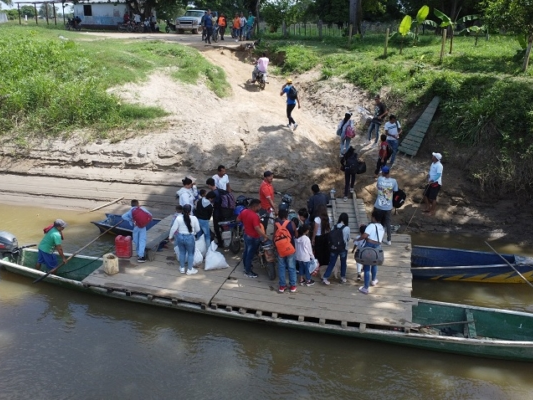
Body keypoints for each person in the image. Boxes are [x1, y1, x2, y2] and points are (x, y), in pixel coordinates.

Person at [237, 199, 270, 278]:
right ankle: (248, 271)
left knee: (246, 252)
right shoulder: (254, 216)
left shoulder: (244, 211)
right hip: (253, 238)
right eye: (259, 206)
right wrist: (265, 236)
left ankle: (246, 266)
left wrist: (245, 224)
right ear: (255, 206)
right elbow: (257, 228)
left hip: (246, 235)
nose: (260, 207)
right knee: (250, 255)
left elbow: (237, 220)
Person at [169, 204, 200, 275]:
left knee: (182, 253)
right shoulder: (194, 218)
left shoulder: (178, 218)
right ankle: (189, 269)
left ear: (182, 210)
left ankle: (182, 268)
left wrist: (170, 237)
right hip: (189, 237)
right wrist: (194, 232)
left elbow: (173, 228)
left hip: (180, 237)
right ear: (190, 211)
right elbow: (198, 229)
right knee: (190, 254)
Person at [358, 210, 384, 294]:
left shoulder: (371, 226)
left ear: (373, 217)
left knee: (366, 268)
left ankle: (365, 287)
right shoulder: (381, 227)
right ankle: (373, 280)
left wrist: (358, 239)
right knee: (374, 264)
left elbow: (365, 236)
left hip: (369, 248)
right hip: (377, 248)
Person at [322, 213, 351, 285]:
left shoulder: (334, 227)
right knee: (343, 263)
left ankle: (325, 277)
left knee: (331, 263)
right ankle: (343, 277)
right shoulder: (347, 228)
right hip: (343, 248)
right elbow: (348, 238)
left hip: (333, 248)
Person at [373, 165, 398, 245]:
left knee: (376, 222)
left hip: (378, 205)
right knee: (387, 223)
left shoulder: (380, 179)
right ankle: (389, 240)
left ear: (383, 172)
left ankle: (374, 238)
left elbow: (378, 187)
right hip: (388, 206)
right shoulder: (394, 181)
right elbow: (395, 191)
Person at [274, 209, 297, 293]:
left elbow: (274, 236)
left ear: (279, 216)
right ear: (287, 216)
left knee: (281, 267)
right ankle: (293, 286)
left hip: (280, 248)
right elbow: (296, 235)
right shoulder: (292, 223)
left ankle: (282, 286)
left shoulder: (276, 224)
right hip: (290, 248)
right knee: (291, 267)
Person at [206, 178, 233, 245]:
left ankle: (220, 242)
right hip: (223, 211)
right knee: (223, 226)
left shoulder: (214, 193)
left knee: (216, 227)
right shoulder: (219, 190)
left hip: (217, 212)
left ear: (209, 185)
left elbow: (214, 202)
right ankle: (227, 240)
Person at [311, 204, 331, 268]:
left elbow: (315, 230)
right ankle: (325, 265)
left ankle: (318, 266)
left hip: (318, 237)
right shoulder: (328, 218)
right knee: (325, 251)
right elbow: (328, 229)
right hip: (326, 236)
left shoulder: (317, 219)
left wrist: (313, 238)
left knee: (318, 252)